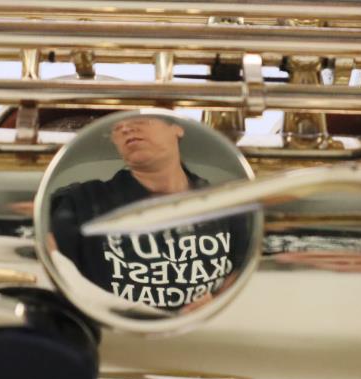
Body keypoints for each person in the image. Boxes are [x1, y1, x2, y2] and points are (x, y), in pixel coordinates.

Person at [51, 115, 250, 312]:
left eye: (141, 118)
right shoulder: (82, 201)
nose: (126, 128)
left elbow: (245, 269)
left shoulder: (226, 203)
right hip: (112, 330)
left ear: (177, 127)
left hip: (209, 329)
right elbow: (49, 259)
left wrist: (219, 300)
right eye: (117, 126)